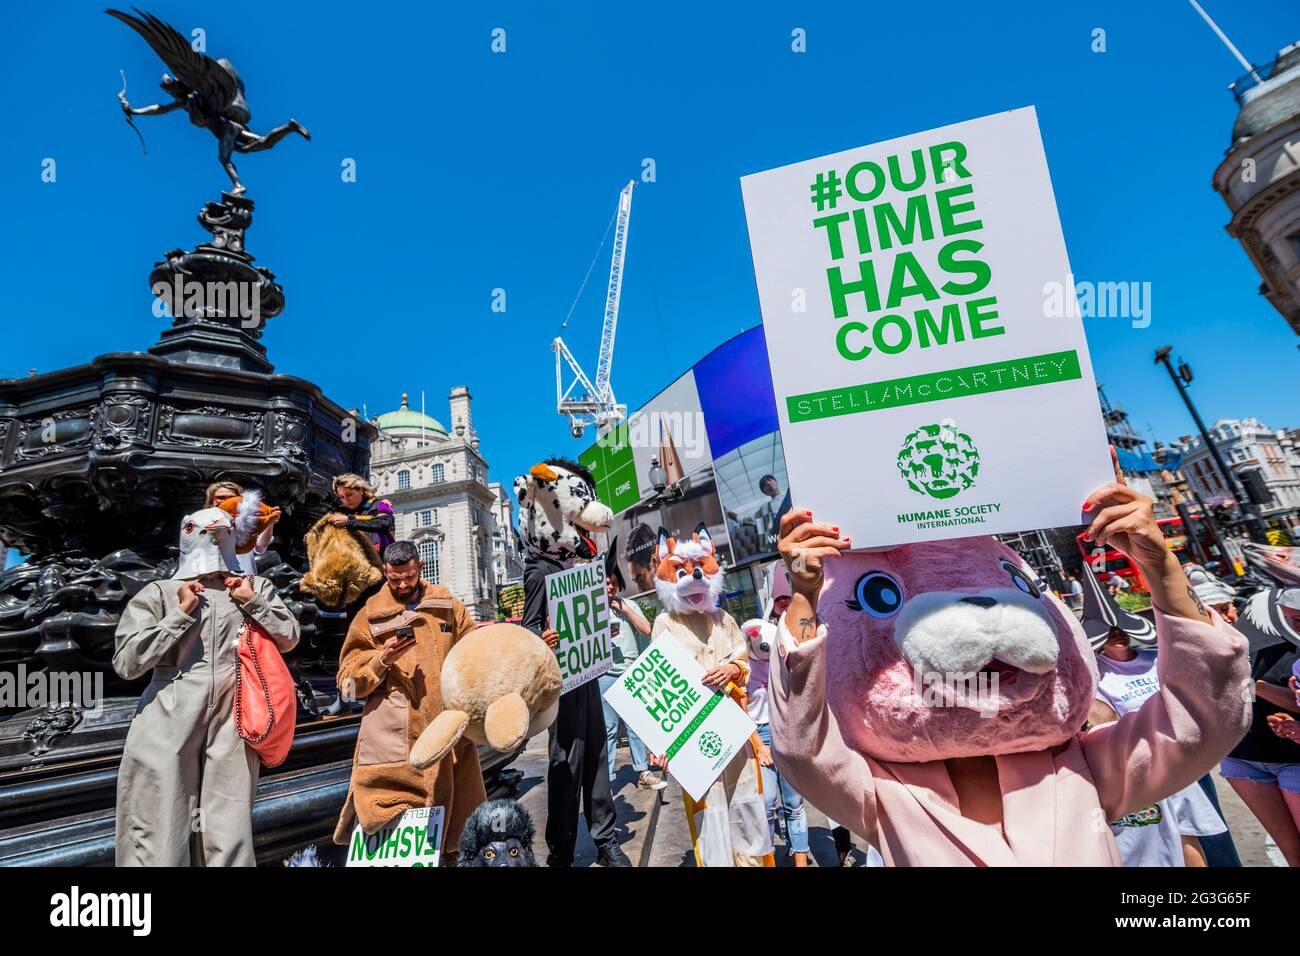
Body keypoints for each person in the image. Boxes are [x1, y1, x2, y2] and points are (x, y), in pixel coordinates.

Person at [113, 506, 299, 866]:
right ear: (186, 534)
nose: (213, 532)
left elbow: (289, 636)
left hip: (235, 712)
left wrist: (253, 601)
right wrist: (180, 613)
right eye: (200, 528)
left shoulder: (253, 586)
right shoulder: (161, 592)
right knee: (159, 826)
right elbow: (127, 663)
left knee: (228, 830)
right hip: (169, 712)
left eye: (223, 527)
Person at [332, 540, 487, 863]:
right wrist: (381, 660)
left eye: (409, 576)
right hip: (398, 743)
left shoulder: (447, 606)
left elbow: (477, 652)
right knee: (403, 840)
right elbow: (347, 684)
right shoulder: (369, 617)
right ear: (385, 573)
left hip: (450, 736)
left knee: (459, 838)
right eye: (394, 578)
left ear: (419, 568)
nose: (402, 584)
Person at [1091, 630, 1229, 866]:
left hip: (1181, 757)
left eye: (1122, 628)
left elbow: (1189, 839)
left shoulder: (1156, 658)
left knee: (1213, 840)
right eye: (1109, 631)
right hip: (1145, 757)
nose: (1118, 635)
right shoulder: (1097, 674)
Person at [599, 570, 665, 791]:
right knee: (608, 729)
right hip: (605, 675)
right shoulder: (593, 608)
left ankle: (642, 771)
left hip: (631, 673)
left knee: (635, 726)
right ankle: (606, 780)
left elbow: (647, 629)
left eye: (614, 583)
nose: (610, 587)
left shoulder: (627, 604)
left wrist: (625, 609)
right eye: (607, 582)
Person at [206, 481, 281, 575]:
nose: (227, 501)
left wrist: (269, 523)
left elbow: (260, 548)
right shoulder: (200, 521)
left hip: (245, 581)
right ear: (212, 500)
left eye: (232, 498)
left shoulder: (247, 522)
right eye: (221, 498)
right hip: (214, 582)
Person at [327, 473, 395, 553]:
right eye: (342, 497)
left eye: (349, 494)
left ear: (361, 490)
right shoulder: (344, 514)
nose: (346, 500)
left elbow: (384, 523)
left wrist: (349, 521)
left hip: (382, 560)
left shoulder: (382, 504)